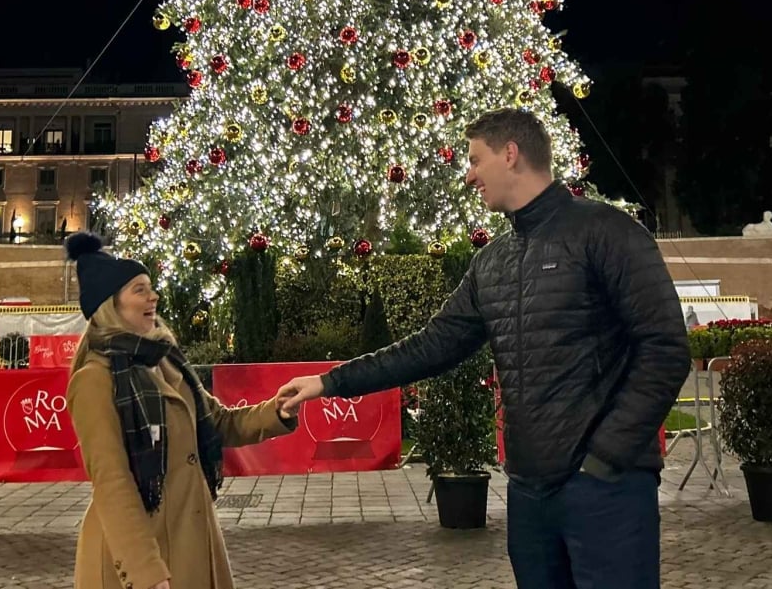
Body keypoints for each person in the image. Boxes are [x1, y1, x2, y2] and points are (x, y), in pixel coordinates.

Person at [279, 108, 689, 589]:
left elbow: (665, 349)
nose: (469, 174)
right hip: (530, 496)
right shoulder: (491, 262)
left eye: (475, 159)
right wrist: (330, 381)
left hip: (607, 491)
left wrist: (605, 457)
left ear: (510, 154)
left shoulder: (607, 232)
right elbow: (433, 346)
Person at [65, 232, 297, 589]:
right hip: (143, 556)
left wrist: (276, 410)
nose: (153, 295)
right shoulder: (95, 380)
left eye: (151, 287)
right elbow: (112, 482)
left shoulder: (166, 362)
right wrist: (146, 571)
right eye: (139, 289)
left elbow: (217, 422)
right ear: (111, 305)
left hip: (191, 542)